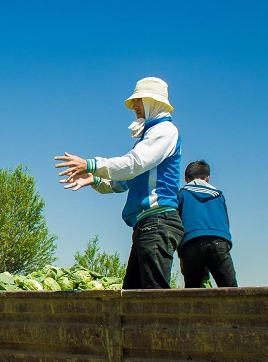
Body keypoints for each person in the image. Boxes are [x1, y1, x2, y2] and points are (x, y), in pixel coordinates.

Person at [55, 76, 183, 289]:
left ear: (153, 101)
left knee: (154, 297)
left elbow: (133, 164)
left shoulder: (165, 130)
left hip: (158, 220)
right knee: (134, 296)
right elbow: (124, 181)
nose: (134, 106)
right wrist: (94, 180)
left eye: (138, 100)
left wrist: (91, 164)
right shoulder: (148, 136)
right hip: (146, 224)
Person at [177, 160, 237, 288]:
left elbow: (177, 223)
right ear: (207, 178)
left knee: (193, 291)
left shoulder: (182, 194)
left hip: (191, 242)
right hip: (219, 240)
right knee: (230, 288)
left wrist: (180, 253)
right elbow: (225, 221)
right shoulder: (218, 196)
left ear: (186, 178)